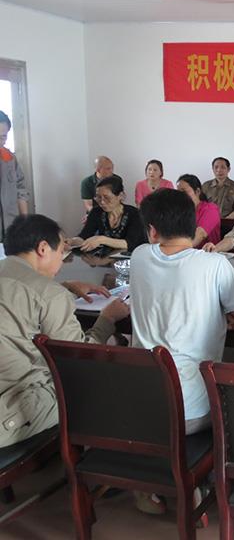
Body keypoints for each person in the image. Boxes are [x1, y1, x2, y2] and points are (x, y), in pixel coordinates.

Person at [131, 189, 234, 434]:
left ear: (152, 231)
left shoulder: (139, 256)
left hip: (139, 403)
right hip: (191, 412)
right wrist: (221, 313)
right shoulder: (214, 264)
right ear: (193, 225)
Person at [0, 214, 128, 448]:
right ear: (43, 248)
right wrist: (106, 319)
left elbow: (18, 295)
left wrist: (64, 287)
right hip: (10, 414)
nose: (62, 260)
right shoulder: (49, 294)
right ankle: (98, 460)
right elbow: (79, 359)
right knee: (104, 376)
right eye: (61, 252)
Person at [69, 176, 146, 254]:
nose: (102, 202)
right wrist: (71, 241)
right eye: (98, 197)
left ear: (120, 196)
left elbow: (130, 243)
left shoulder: (135, 214)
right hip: (104, 258)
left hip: (132, 257)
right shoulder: (96, 212)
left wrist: (101, 239)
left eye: (107, 197)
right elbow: (83, 236)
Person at [0, 110, 29, 242]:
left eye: (3, 137)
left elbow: (20, 189)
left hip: (10, 227)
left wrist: (24, 221)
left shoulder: (9, 158)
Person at [176, 174, 221, 247]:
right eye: (178, 192)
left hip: (205, 252)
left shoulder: (210, 209)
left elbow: (200, 234)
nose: (179, 196)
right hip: (184, 251)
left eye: (184, 192)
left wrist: (176, 250)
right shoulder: (180, 211)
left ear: (197, 191)